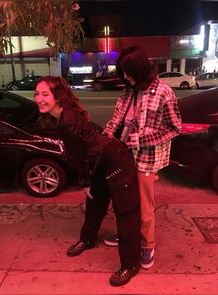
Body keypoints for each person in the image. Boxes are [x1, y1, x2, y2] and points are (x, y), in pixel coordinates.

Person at [33, 76, 141, 287]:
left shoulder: (67, 120)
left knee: (126, 215)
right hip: (100, 162)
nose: (39, 99)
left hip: (116, 162)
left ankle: (130, 265)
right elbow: (85, 151)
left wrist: (86, 182)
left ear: (58, 96)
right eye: (37, 93)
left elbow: (87, 153)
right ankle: (88, 239)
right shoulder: (64, 116)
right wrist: (89, 180)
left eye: (45, 94)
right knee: (94, 204)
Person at [103, 45, 182, 270]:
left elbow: (175, 128)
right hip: (124, 154)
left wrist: (143, 139)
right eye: (122, 72)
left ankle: (148, 245)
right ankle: (128, 235)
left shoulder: (164, 92)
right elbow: (116, 119)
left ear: (139, 68)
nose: (125, 77)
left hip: (147, 158)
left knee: (144, 205)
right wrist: (105, 138)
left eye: (128, 72)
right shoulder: (129, 90)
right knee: (124, 200)